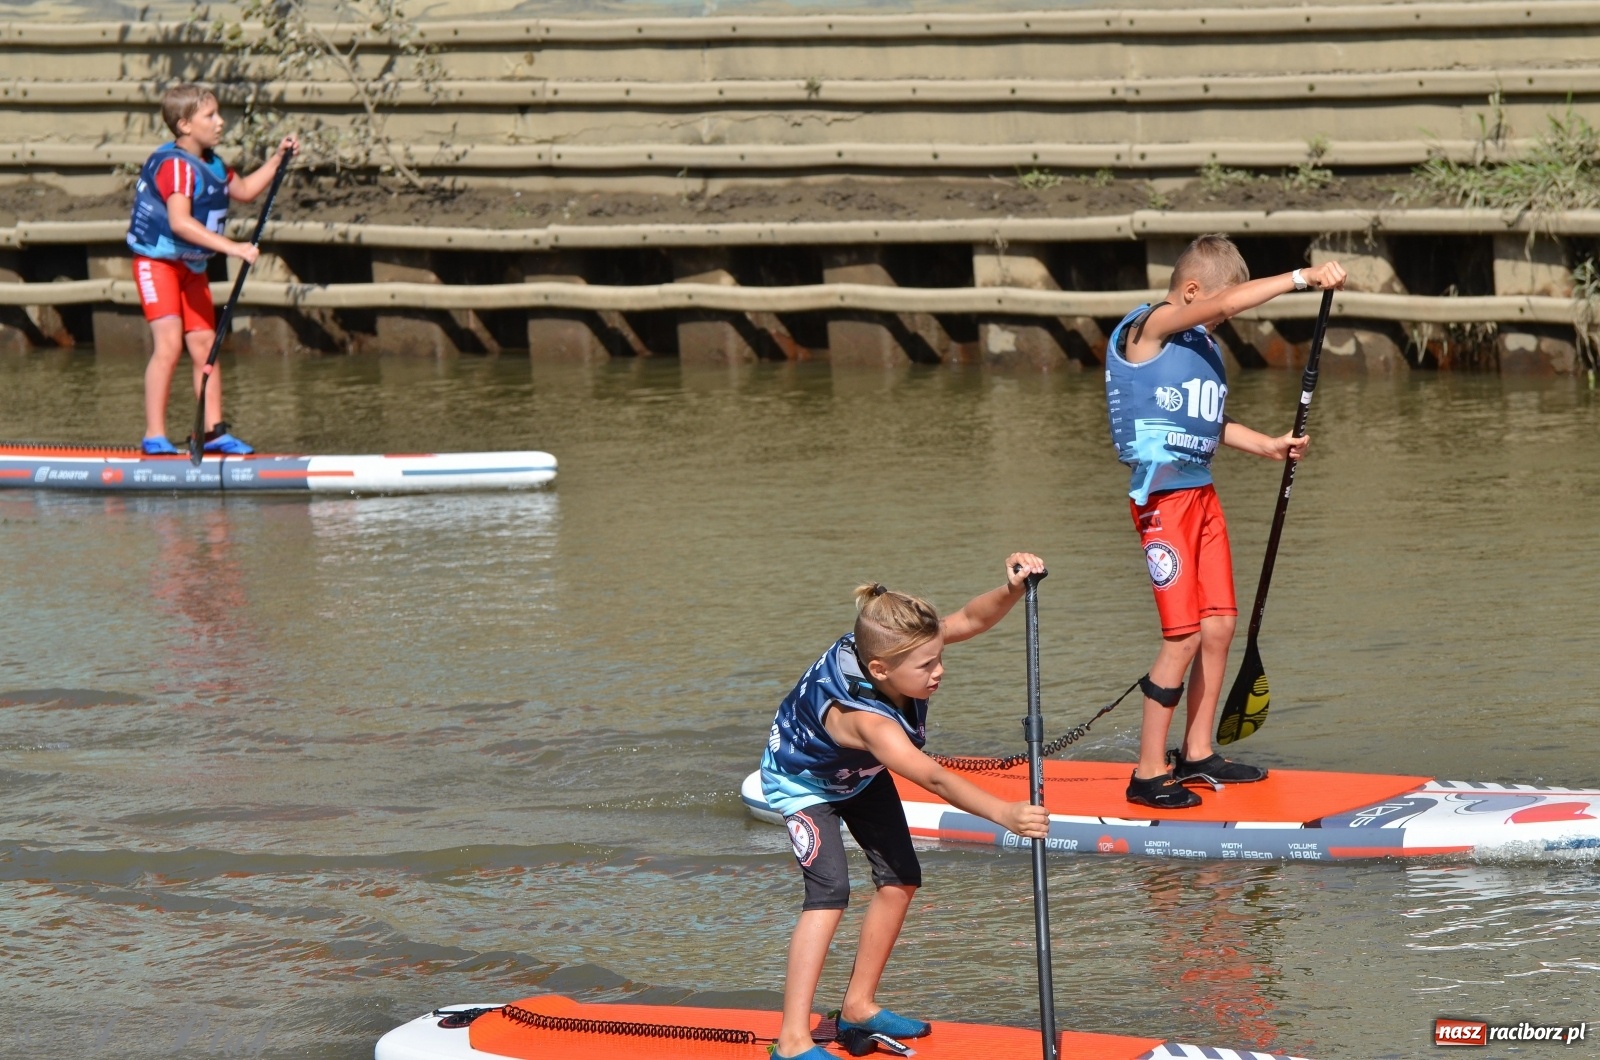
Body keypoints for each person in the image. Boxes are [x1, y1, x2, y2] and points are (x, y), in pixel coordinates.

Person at [760, 556, 1053, 1060]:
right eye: (927, 667)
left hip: (858, 775)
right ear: (880, 669)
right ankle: (791, 1040)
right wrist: (1005, 814)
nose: (939, 672)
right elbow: (933, 777)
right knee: (830, 893)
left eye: (939, 658)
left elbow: (969, 619)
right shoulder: (871, 723)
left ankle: (857, 1008)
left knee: (901, 878)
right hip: (803, 783)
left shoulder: (897, 648)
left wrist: (1011, 589)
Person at [1105, 234, 1346, 810]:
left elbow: (1208, 420)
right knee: (1182, 635)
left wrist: (1266, 445)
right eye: (1218, 302)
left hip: (1202, 496)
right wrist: (1299, 279)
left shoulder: (1199, 347)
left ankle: (1197, 752)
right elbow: (1226, 305)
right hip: (1161, 502)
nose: (1225, 315)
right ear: (1192, 292)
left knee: (1218, 625)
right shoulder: (1151, 328)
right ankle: (1146, 773)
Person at [127, 83, 297, 455]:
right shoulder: (177, 167)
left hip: (191, 268)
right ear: (185, 125)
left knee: (207, 345)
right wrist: (233, 247)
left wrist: (277, 160)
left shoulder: (213, 162)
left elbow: (248, 190)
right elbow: (180, 223)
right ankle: (154, 435)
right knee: (169, 345)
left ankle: (213, 432)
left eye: (219, 114)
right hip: (157, 266)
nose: (220, 122)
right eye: (210, 116)